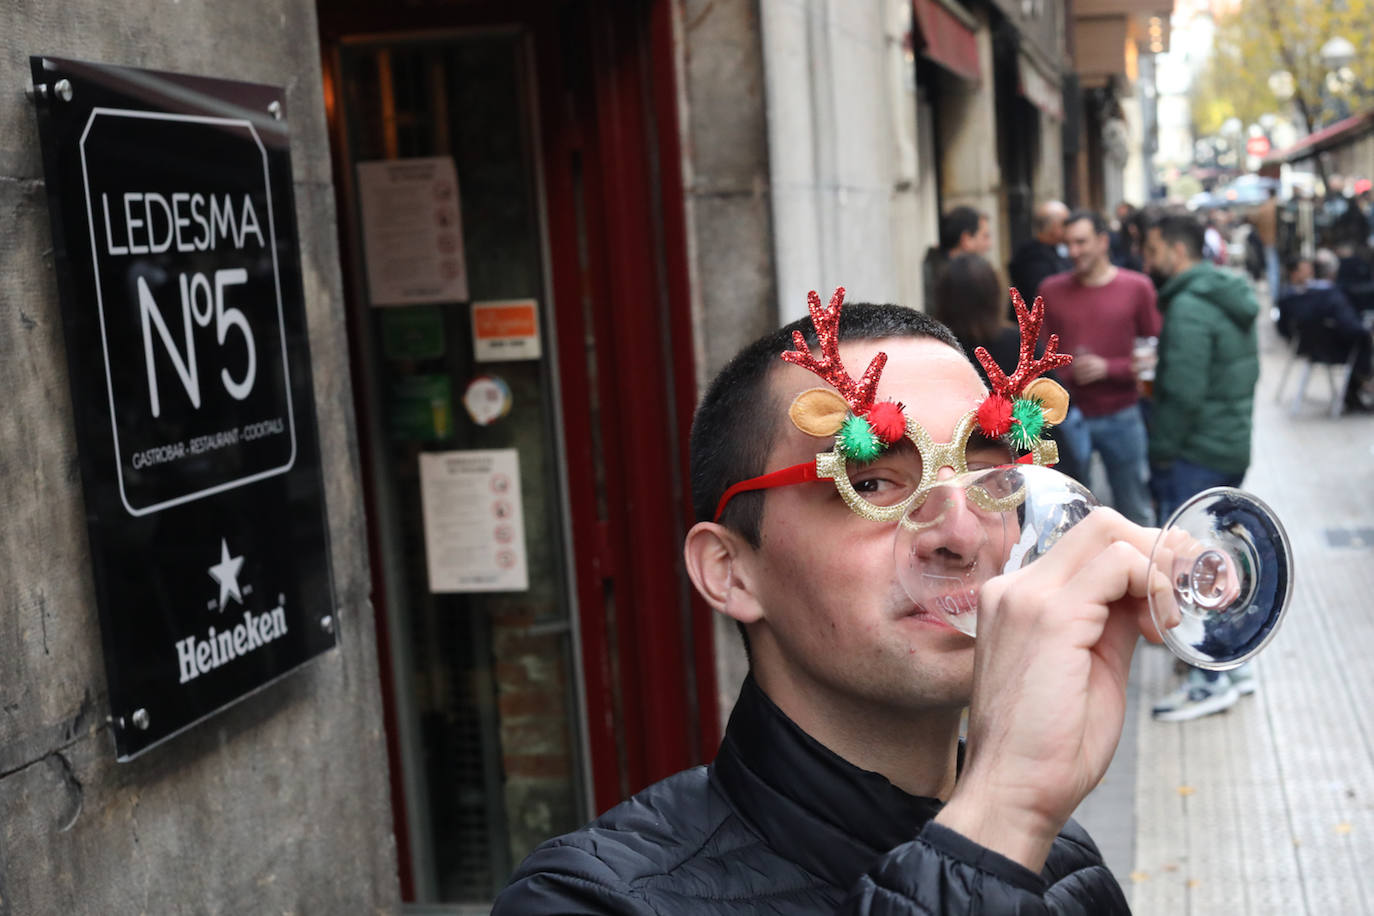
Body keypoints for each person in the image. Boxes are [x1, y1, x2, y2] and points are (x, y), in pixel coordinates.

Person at [493, 292, 1180, 913]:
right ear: (729, 571)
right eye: (874, 483)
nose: (960, 533)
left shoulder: (1058, 858)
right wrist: (1003, 810)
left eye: (991, 475)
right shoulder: (593, 899)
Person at [1141, 214, 1261, 721]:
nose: (1147, 259)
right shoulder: (1224, 293)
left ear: (1174, 248)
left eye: (1151, 248)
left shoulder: (1190, 307)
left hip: (1196, 451)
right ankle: (1233, 663)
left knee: (1192, 566)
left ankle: (1209, 678)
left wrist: (1162, 449)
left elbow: (1184, 395)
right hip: (1228, 444)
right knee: (1218, 554)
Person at [1039, 210, 1161, 526]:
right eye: (1069, 244)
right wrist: (1067, 371)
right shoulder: (1051, 290)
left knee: (1134, 509)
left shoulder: (1137, 287)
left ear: (1103, 241)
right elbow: (1039, 357)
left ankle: (1143, 574)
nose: (1074, 252)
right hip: (1067, 418)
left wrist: (1110, 368)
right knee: (1071, 515)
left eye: (1082, 242)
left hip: (1122, 414)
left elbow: (1153, 353)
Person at [934, 253, 1087, 483]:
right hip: (1029, 461)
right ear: (994, 295)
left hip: (963, 467)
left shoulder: (938, 351)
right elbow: (1055, 396)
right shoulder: (1017, 341)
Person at [1279, 249, 1373, 412]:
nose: (1310, 272)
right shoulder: (1325, 296)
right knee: (1360, 341)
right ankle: (1360, 386)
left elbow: (1283, 329)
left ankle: (1354, 393)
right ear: (1294, 273)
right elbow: (1353, 328)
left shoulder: (1287, 298)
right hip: (1333, 350)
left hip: (1306, 348)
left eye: (1310, 268)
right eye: (1305, 269)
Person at [922, 206, 991, 311]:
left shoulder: (936, 267)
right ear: (966, 239)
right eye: (985, 236)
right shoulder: (955, 280)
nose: (989, 244)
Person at [1009, 199, 1071, 305]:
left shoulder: (1058, 248)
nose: (1069, 229)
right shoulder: (1032, 257)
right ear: (1054, 226)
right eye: (1065, 224)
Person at [1252, 188, 1281, 299]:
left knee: (1272, 267)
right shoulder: (1275, 206)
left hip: (1269, 241)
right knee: (1274, 267)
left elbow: (1256, 220)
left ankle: (1274, 293)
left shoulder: (1265, 207)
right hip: (1274, 241)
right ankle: (1275, 293)